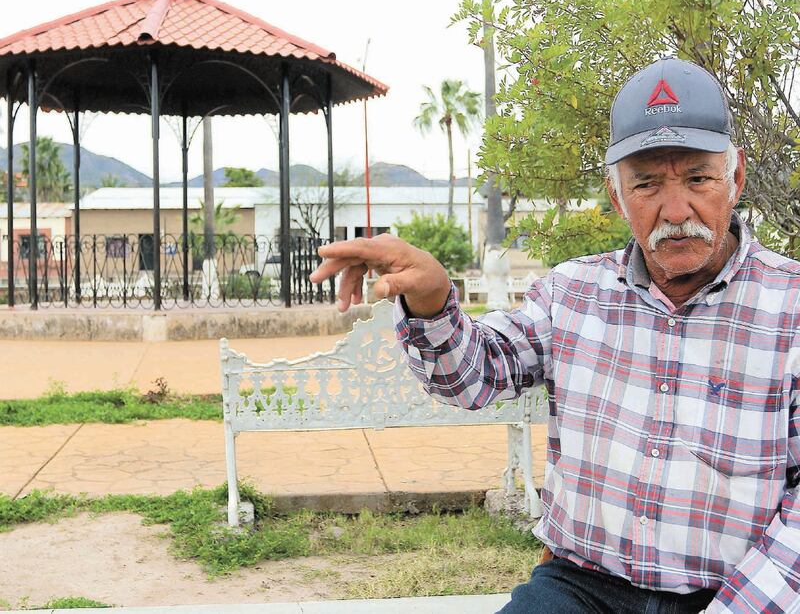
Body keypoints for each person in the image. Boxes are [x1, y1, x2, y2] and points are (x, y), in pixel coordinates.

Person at [309, 57, 800, 613]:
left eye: (698, 179)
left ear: (734, 180)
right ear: (617, 198)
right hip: (580, 587)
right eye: (647, 184)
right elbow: (475, 376)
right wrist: (430, 299)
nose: (675, 209)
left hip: (731, 595)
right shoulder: (573, 292)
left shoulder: (790, 307)